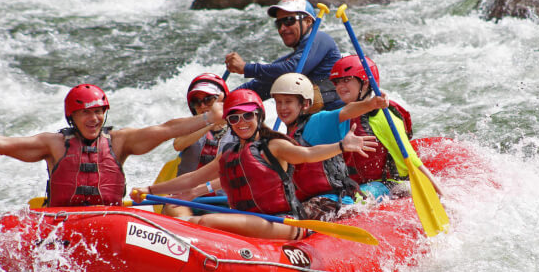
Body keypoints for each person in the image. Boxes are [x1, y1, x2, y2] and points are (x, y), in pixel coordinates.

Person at [129, 89, 377, 241]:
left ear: (259, 115)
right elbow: (191, 179)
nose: (242, 122)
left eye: (248, 115)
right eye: (234, 118)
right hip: (250, 218)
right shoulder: (228, 154)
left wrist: (342, 146)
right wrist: (151, 191)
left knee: (203, 223)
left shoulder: (274, 146)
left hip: (284, 222)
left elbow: (308, 154)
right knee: (183, 224)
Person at [0, 83, 222, 208]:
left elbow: (165, 130)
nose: (94, 119)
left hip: (110, 221)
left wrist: (209, 117)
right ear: (73, 116)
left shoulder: (120, 142)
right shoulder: (53, 145)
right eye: (86, 113)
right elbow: (1, 144)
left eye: (98, 112)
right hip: (63, 220)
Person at [270, 72, 387, 220]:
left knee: (284, 219)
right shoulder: (284, 138)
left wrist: (371, 104)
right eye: (278, 102)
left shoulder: (315, 123)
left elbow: (345, 111)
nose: (282, 107)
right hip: (309, 203)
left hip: (333, 202)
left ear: (305, 104)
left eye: (288, 102)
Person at [329, 55, 443, 199]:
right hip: (358, 184)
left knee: (348, 201)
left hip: (390, 184)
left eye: (346, 80)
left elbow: (411, 159)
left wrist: (441, 195)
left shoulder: (381, 115)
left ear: (365, 83)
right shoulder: (344, 115)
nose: (340, 87)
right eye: (337, 82)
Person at [224, 0, 343, 111]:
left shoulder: (320, 38)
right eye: (278, 24)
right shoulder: (290, 61)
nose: (282, 29)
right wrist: (225, 100)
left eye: (289, 20)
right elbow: (258, 86)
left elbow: (293, 70)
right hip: (311, 123)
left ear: (308, 21)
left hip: (337, 118)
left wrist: (246, 68)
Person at [164, 73, 231, 217]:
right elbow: (178, 144)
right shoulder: (188, 127)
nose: (202, 106)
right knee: (173, 208)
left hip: (225, 203)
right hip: (185, 200)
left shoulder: (240, 126)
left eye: (208, 100)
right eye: (196, 101)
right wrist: (209, 123)